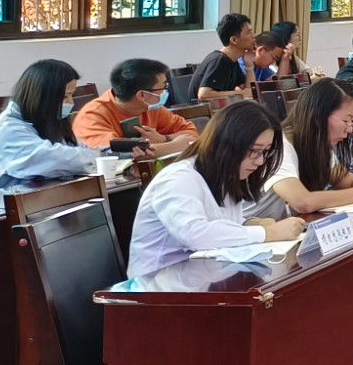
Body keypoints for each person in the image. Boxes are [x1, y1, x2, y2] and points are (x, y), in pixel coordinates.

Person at [125, 102, 306, 280]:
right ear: (228, 144)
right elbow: (195, 234)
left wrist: (250, 223)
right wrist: (268, 233)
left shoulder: (225, 175)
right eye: (255, 151)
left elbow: (218, 221)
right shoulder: (179, 178)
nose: (260, 161)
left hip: (205, 275)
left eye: (265, 152)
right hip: (159, 283)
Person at [265, 79, 353, 214]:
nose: (350, 129)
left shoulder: (319, 145)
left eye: (352, 121)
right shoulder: (279, 147)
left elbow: (350, 183)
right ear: (318, 116)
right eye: (346, 121)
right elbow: (302, 202)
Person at [0, 60, 101, 212]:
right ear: (43, 96)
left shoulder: (45, 120)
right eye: (65, 96)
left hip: (47, 205)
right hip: (11, 215)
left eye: (72, 95)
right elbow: (59, 160)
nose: (71, 102)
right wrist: (97, 157)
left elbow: (76, 150)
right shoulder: (5, 131)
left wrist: (101, 153)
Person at [73, 58, 197, 152]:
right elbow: (117, 153)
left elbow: (192, 133)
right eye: (163, 87)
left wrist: (164, 139)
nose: (166, 91)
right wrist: (174, 145)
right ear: (142, 95)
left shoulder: (151, 107)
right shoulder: (92, 116)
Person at [188, 12, 255, 100]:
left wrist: (249, 65)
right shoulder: (219, 60)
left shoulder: (232, 61)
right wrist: (240, 93)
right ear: (234, 40)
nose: (253, 36)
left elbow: (249, 92)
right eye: (249, 32)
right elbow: (204, 94)